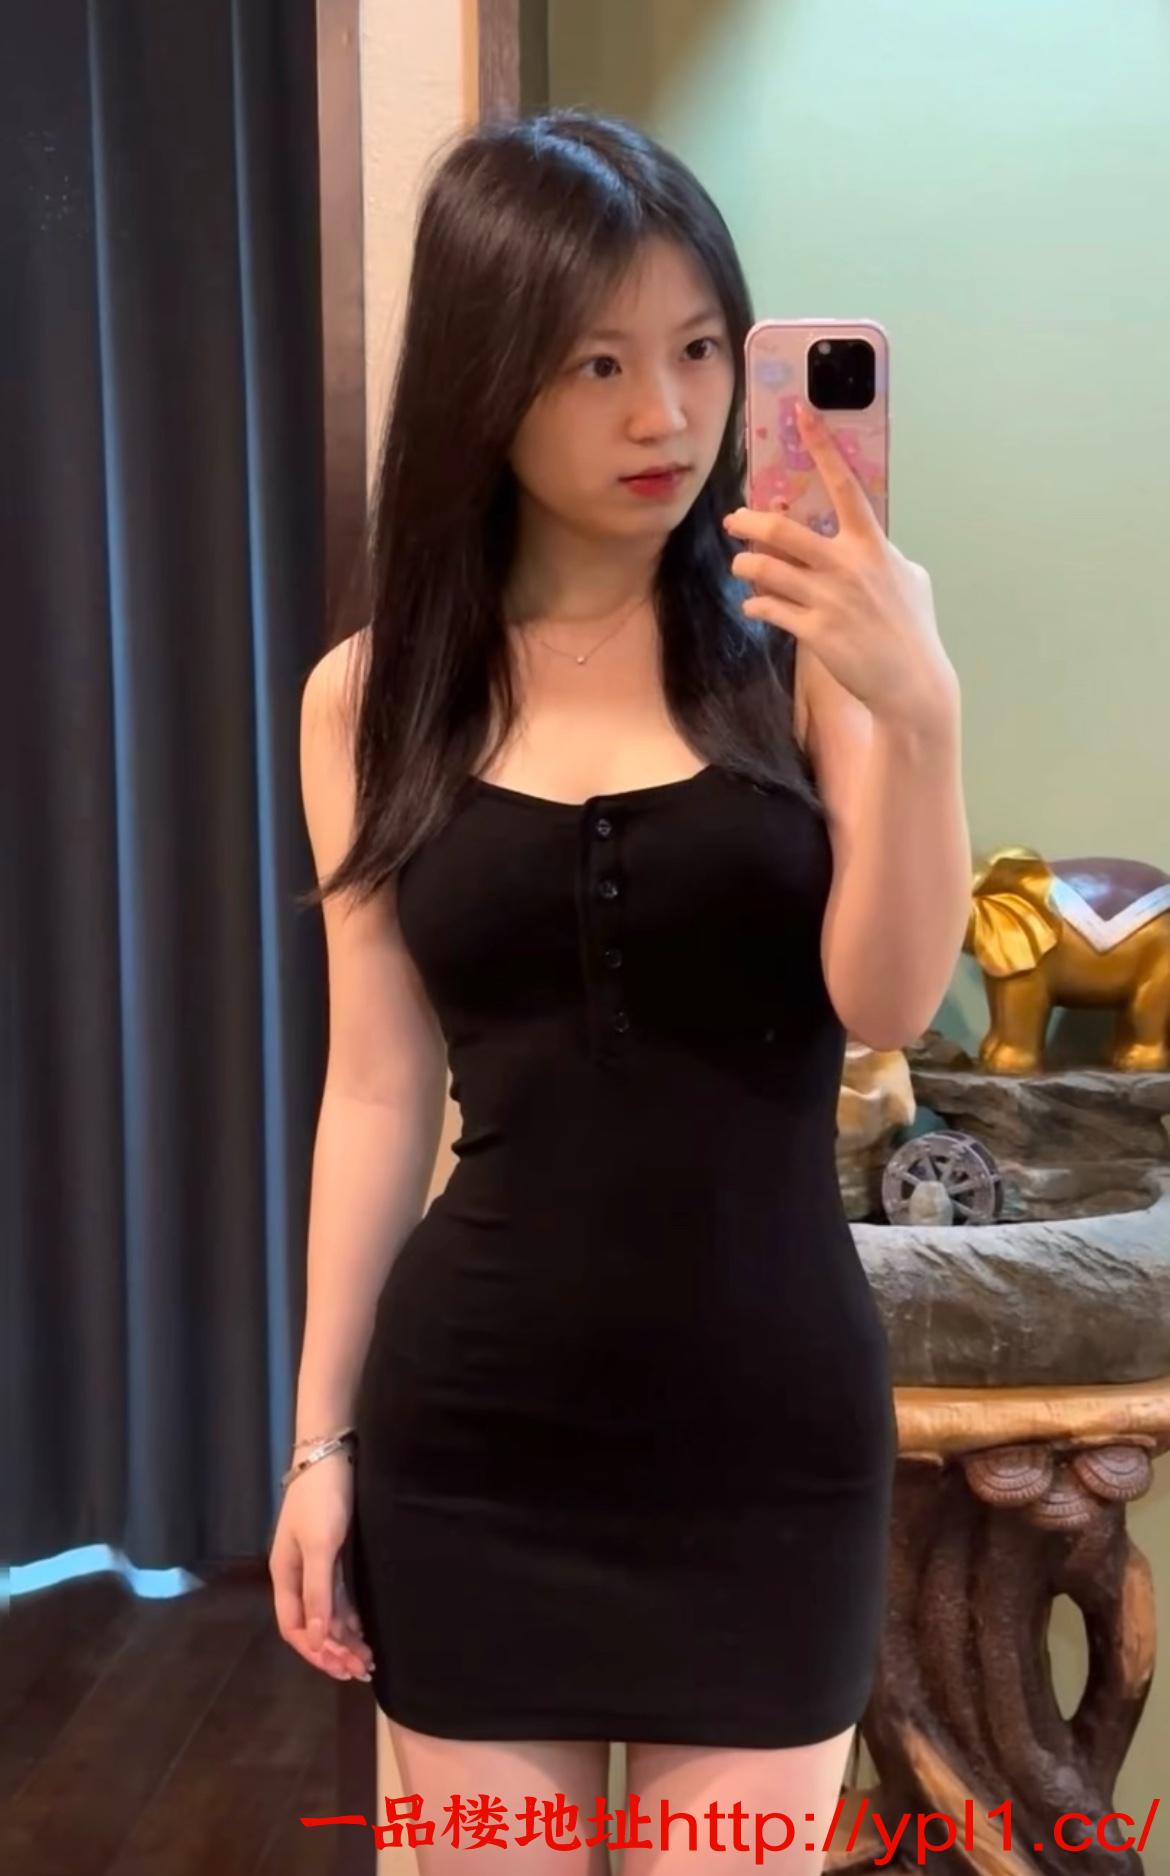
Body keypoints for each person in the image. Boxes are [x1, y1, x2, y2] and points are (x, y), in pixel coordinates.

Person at [269, 108, 970, 1874]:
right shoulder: (369, 697)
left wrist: (918, 715)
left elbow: (887, 1000)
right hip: (473, 1440)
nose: (664, 414)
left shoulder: (812, 658)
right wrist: (316, 1444)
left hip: (768, 1445)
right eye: (596, 362)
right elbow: (374, 1088)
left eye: (699, 349)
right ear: (486, 374)